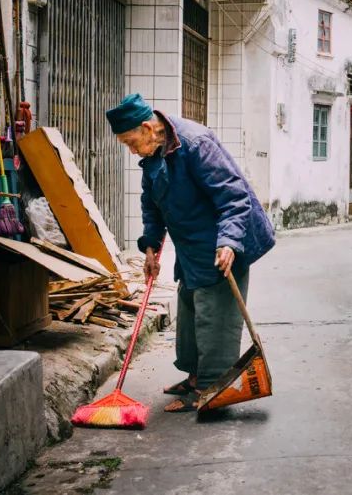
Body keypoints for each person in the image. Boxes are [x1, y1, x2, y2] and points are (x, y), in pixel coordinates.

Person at [106, 93, 275, 412]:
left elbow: (234, 196)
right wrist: (151, 245)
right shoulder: (155, 151)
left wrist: (229, 241)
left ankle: (213, 386)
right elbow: (150, 202)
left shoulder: (195, 143)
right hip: (191, 243)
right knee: (190, 309)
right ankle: (197, 377)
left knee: (215, 313)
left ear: (147, 128)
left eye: (130, 142)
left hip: (221, 240)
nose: (130, 151)